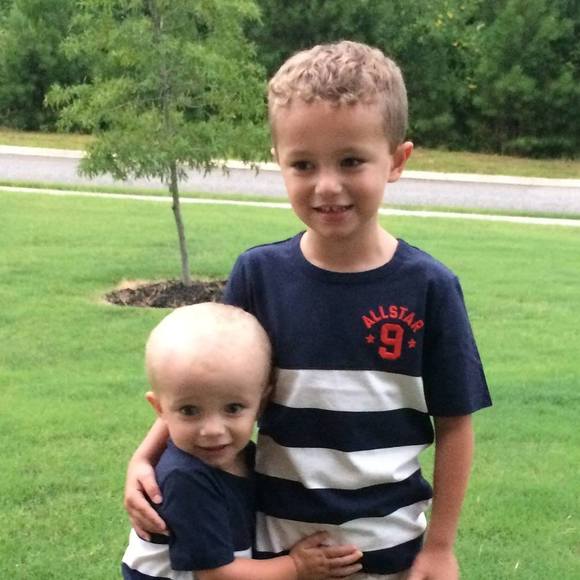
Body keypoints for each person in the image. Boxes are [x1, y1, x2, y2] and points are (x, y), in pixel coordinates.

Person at [124, 41, 492, 580]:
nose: (327, 185)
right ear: (279, 162)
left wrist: (440, 546)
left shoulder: (429, 287)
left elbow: (455, 424)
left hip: (389, 547)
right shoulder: (260, 275)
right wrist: (144, 457)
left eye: (350, 161)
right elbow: (207, 380)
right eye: (303, 164)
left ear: (396, 160)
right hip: (278, 543)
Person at [122, 303, 363, 579]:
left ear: (262, 403)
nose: (212, 430)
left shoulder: (247, 456)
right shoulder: (187, 479)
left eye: (233, 408)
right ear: (159, 409)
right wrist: (296, 566)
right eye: (189, 410)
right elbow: (216, 575)